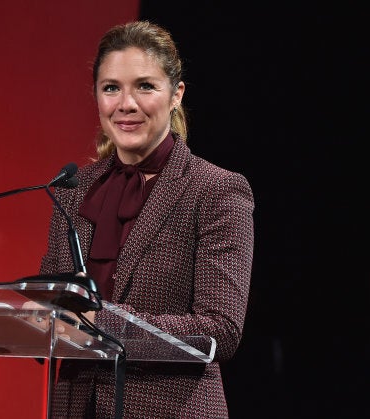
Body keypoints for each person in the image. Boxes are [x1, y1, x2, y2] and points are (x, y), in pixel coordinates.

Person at [39, 20, 254, 418]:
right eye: (111, 88)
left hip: (168, 408)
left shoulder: (216, 190)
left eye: (145, 86)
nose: (126, 104)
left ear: (176, 95)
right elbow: (55, 305)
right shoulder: (72, 188)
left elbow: (220, 330)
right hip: (74, 407)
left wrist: (101, 321)